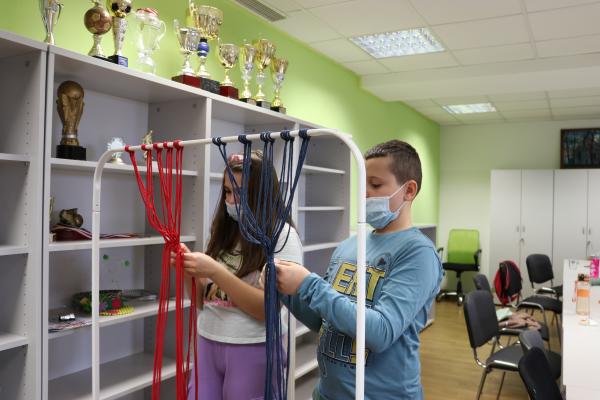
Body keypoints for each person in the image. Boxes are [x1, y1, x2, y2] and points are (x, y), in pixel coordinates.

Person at [273, 140, 443, 399]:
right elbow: (323, 321)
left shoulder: (418, 253)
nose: (365, 194)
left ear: (408, 190)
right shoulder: (349, 246)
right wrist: (287, 289)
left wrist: (309, 284)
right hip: (329, 392)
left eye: (375, 185)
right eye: (363, 184)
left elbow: (380, 332)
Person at [172, 150, 302, 400]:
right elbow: (201, 301)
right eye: (227, 192)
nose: (231, 201)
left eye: (241, 193)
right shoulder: (224, 232)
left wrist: (215, 271)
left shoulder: (283, 236)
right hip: (208, 341)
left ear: (263, 194)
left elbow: (267, 310)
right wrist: (188, 270)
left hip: (253, 346)